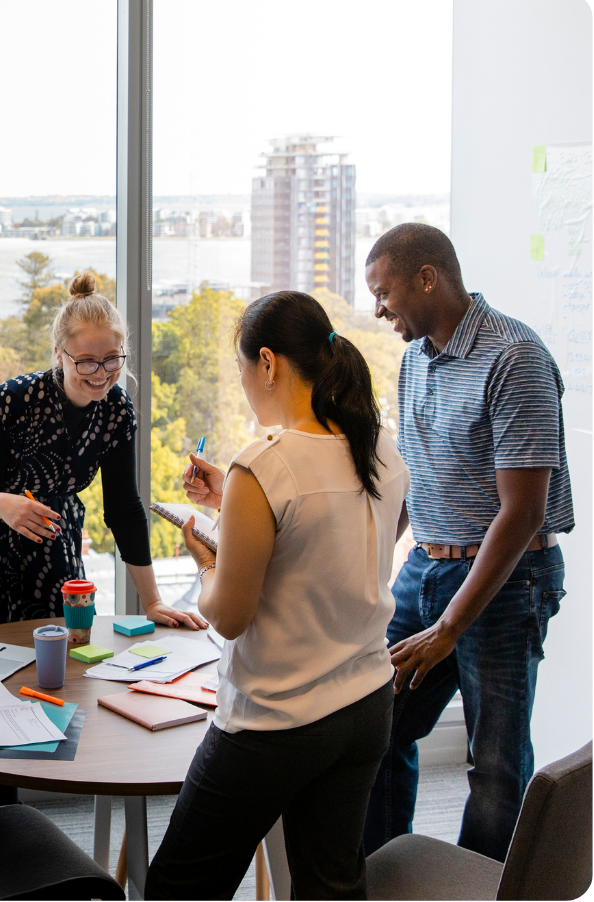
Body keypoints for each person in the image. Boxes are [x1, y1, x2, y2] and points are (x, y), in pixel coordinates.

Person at [144, 291, 410, 900]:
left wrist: (209, 563)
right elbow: (355, 537)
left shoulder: (264, 465)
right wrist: (232, 509)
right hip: (365, 704)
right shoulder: (378, 445)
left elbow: (230, 617)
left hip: (276, 720)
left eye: (242, 369)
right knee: (330, 885)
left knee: (180, 887)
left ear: (267, 362)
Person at [362, 223, 574, 862]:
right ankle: (384, 875)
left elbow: (522, 514)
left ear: (427, 277)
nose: (379, 310)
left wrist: (451, 626)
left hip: (510, 582)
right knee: (376, 724)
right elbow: (416, 474)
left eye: (384, 293)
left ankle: (482, 886)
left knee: (495, 764)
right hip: (426, 567)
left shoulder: (516, 357)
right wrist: (365, 560)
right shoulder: (415, 356)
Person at [0, 271, 205, 631]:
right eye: (86, 361)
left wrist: (152, 601)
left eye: (112, 359)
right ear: (59, 355)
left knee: (61, 637)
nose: (101, 373)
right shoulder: (11, 401)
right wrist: (0, 504)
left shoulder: (117, 411)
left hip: (49, 524)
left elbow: (124, 509)